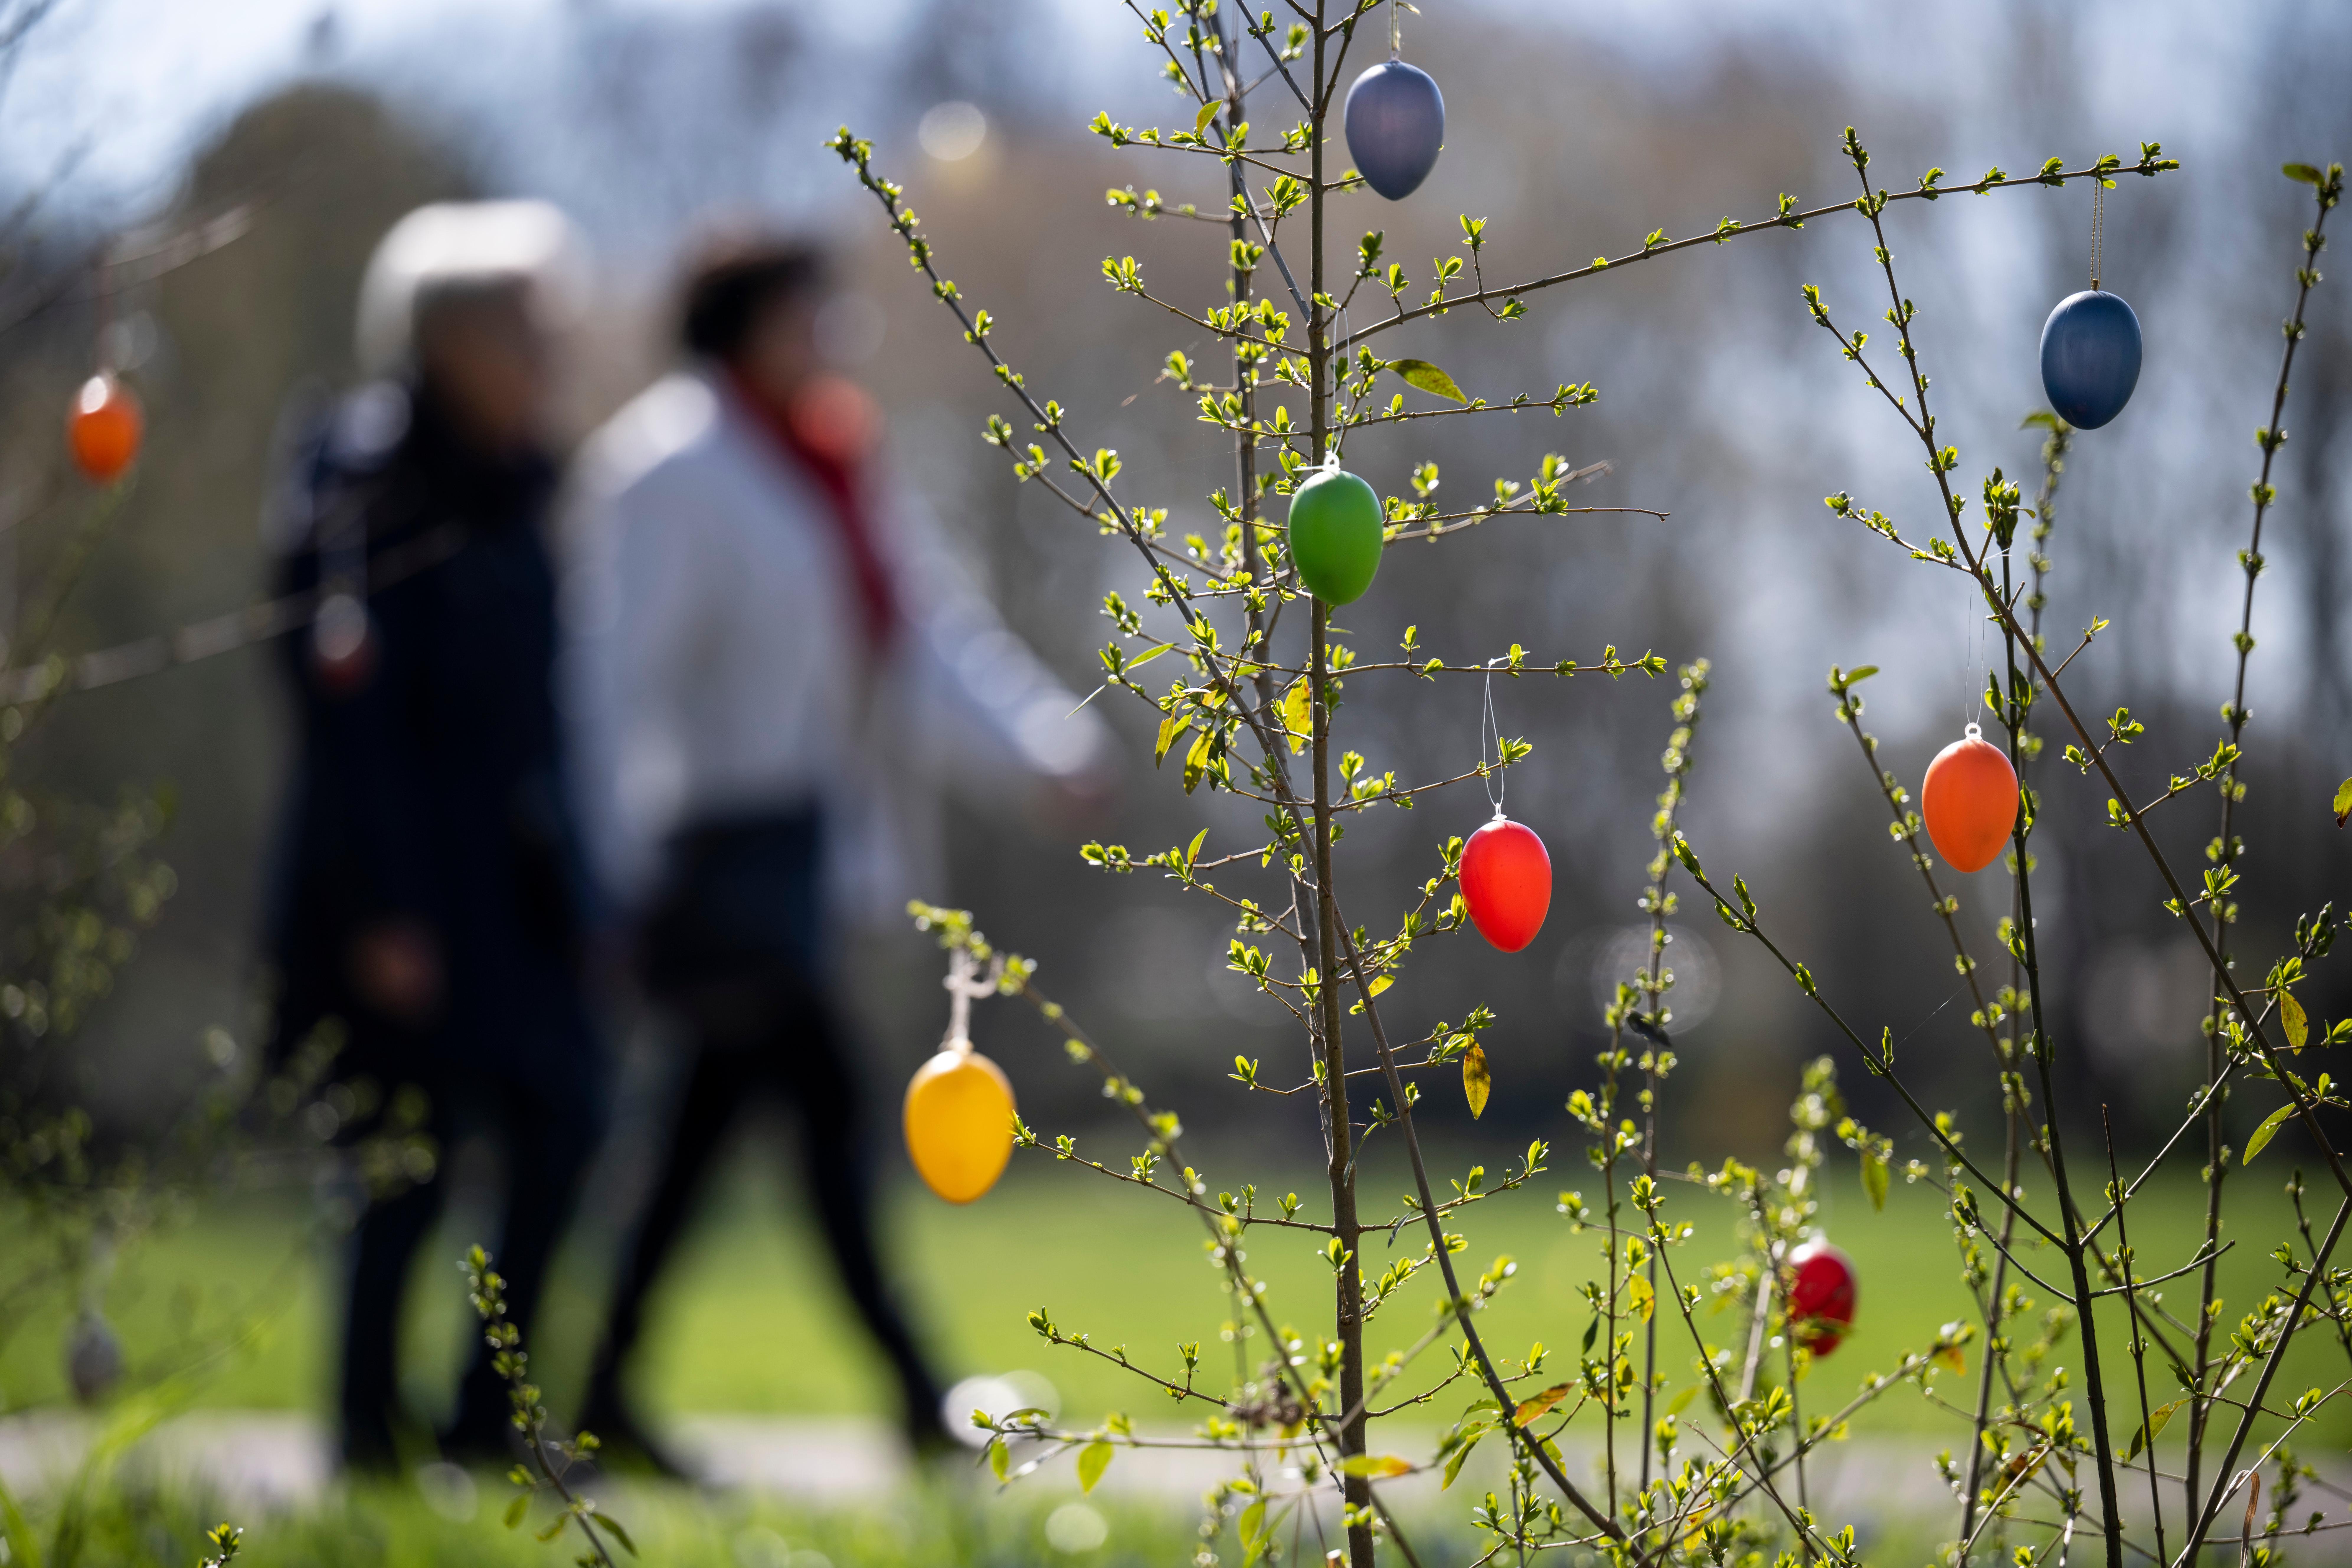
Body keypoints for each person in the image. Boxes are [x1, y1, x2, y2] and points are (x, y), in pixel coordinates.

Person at [561, 236, 1108, 1467]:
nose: (830, 336)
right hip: (714, 863)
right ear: (741, 326)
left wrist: (1041, 746)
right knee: (828, 1119)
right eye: (805, 314)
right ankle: (916, 1397)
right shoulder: (667, 469)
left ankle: (598, 1392)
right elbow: (611, 685)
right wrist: (617, 872)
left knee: (703, 1138)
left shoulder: (835, 458)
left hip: (804, 861)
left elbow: (920, 637)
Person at [262, 201, 607, 1471]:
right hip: (402, 884)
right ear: (450, 340)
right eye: (529, 330)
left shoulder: (519, 487)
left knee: (564, 1121)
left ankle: (485, 1415)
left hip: (513, 884)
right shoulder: (361, 484)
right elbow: (346, 717)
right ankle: (365, 1436)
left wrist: (583, 885)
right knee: (401, 1164)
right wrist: (381, 906)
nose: (551, 354)